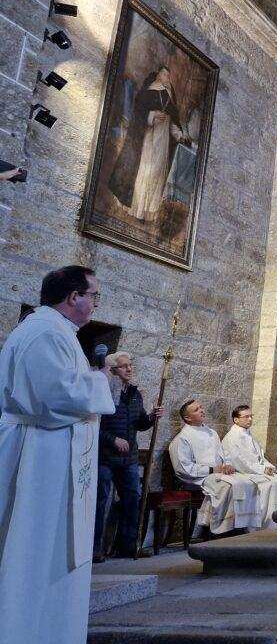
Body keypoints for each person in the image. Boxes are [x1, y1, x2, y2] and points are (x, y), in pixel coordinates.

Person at [0, 266, 115, 643]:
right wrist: (101, 380)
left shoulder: (56, 330)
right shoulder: (44, 332)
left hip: (49, 452)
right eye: (94, 296)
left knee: (48, 547)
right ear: (73, 297)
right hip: (39, 455)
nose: (96, 303)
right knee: (34, 546)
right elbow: (55, 396)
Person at [94, 352, 164, 561]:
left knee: (132, 498)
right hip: (105, 456)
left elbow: (139, 423)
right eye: (124, 366)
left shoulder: (134, 394)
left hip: (128, 458)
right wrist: (113, 439)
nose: (129, 369)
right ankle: (94, 548)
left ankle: (128, 545)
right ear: (113, 371)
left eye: (130, 365)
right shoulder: (103, 392)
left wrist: (152, 416)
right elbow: (93, 425)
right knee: (100, 500)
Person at [108, 65, 188, 221]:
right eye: (164, 74)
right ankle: (137, 209)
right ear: (158, 74)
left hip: (162, 141)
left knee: (157, 174)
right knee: (145, 171)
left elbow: (173, 120)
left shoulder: (169, 93)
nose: (167, 77)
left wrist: (179, 135)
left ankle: (147, 211)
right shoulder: (148, 90)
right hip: (148, 138)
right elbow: (139, 112)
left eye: (168, 75)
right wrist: (153, 115)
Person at [168, 400, 258, 535]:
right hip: (197, 479)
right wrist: (211, 470)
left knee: (247, 482)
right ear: (187, 418)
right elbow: (183, 468)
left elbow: (223, 455)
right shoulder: (182, 439)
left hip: (217, 474)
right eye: (196, 410)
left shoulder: (212, 433)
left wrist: (227, 465)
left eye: (201, 407)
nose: (202, 410)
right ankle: (222, 529)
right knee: (228, 486)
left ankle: (242, 525)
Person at [221, 405, 277, 530]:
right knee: (268, 484)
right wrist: (262, 470)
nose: (250, 419)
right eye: (246, 416)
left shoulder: (248, 435)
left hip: (254, 471)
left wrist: (268, 466)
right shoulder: (232, 437)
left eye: (251, 416)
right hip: (242, 472)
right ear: (236, 420)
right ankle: (260, 525)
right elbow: (239, 461)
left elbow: (260, 457)